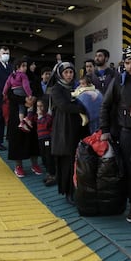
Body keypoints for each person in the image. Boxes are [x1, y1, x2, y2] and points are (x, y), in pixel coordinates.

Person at [99, 45, 131, 223]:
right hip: (127, 132)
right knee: (130, 172)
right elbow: (105, 105)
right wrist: (105, 130)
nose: (130, 66)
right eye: (127, 62)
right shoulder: (119, 81)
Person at [50, 62, 88, 204]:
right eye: (66, 72)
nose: (69, 75)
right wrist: (81, 108)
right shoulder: (56, 89)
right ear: (60, 74)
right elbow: (64, 106)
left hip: (79, 127)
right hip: (64, 129)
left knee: (78, 160)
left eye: (71, 72)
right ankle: (68, 191)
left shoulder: (77, 87)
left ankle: (78, 190)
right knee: (67, 160)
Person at [2, 59, 33, 132]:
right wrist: (29, 94)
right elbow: (26, 85)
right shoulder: (23, 75)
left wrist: (4, 92)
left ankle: (21, 122)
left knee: (20, 107)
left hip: (14, 91)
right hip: (21, 91)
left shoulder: (12, 75)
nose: (25, 68)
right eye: (23, 66)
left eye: (26, 66)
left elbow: (7, 84)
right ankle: (27, 119)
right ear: (17, 67)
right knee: (29, 105)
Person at [34, 99, 56, 186]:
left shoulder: (48, 116)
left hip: (47, 139)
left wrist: (40, 116)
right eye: (38, 106)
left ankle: (52, 174)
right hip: (41, 139)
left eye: (41, 106)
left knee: (48, 156)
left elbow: (46, 124)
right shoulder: (38, 116)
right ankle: (48, 173)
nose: (39, 108)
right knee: (43, 156)